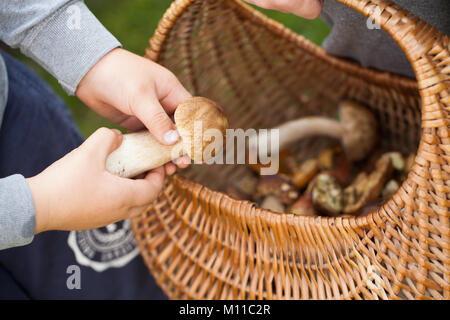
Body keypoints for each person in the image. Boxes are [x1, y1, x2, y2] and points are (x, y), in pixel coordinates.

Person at [0, 1, 191, 299]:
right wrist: (39, 205)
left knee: (116, 285)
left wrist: (87, 56)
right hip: (33, 200)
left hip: (15, 131)